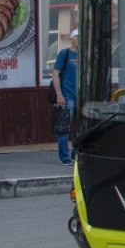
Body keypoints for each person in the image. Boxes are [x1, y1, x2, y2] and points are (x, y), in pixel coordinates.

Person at [51, 29, 79, 165]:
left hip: (82, 97)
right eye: (78, 36)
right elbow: (55, 74)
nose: (81, 39)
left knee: (81, 129)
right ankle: (65, 157)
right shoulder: (65, 54)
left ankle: (76, 154)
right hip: (67, 96)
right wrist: (59, 94)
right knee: (64, 128)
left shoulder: (85, 55)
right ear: (72, 39)